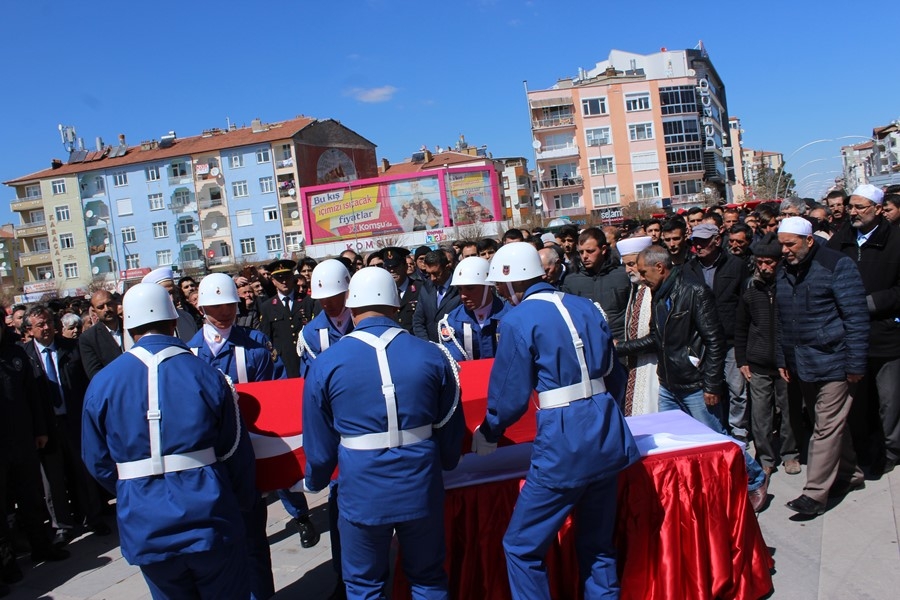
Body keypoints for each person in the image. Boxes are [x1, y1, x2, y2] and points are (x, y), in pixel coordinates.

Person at [471, 242, 638, 600]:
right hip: (607, 429)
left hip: (564, 442)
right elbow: (614, 374)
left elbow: (509, 396)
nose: (501, 295)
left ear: (512, 282)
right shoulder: (584, 306)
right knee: (597, 544)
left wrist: (488, 429)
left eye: (501, 287)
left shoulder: (517, 320)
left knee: (521, 547)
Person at [82, 283, 257, 598]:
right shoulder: (208, 375)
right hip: (209, 516)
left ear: (128, 324)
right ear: (174, 320)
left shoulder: (102, 383)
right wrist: (240, 503)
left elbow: (97, 461)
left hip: (145, 522)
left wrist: (135, 488)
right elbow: (234, 450)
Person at [302, 267, 464, 599]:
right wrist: (446, 462)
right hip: (421, 482)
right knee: (428, 578)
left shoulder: (327, 362)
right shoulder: (433, 354)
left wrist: (314, 480)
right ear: (397, 302)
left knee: (364, 584)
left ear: (351, 304)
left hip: (362, 489)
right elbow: (450, 425)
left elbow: (319, 446)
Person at [616, 245, 768, 510]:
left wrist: (710, 384)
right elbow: (657, 338)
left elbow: (714, 340)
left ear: (660, 268)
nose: (640, 277)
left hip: (695, 383)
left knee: (717, 436)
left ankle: (754, 479)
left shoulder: (695, 291)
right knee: (671, 439)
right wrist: (619, 347)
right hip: (668, 382)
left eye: (643, 271)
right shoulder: (657, 293)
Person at [187, 273, 285, 599]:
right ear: (201, 307)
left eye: (229, 303)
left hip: (248, 456)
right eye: (216, 306)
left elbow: (273, 397)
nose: (224, 312)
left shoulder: (255, 345)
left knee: (254, 540)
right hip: (209, 462)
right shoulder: (188, 354)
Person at [776, 217, 869, 516]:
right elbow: (781, 319)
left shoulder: (837, 265)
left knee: (825, 427)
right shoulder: (784, 270)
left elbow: (855, 317)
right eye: (782, 244)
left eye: (790, 244)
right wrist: (783, 358)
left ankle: (814, 494)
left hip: (835, 362)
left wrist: (855, 363)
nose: (785, 250)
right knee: (829, 425)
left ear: (809, 240)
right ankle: (850, 474)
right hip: (802, 363)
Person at [827, 184, 900, 475]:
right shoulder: (840, 240)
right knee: (858, 403)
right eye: (851, 206)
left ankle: (891, 450)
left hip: (886, 335)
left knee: (889, 400)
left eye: (860, 207)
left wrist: (873, 303)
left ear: (878, 210)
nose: (852, 212)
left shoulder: (896, 241)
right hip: (849, 338)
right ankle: (864, 450)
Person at [22, 307, 110, 540]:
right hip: (46, 427)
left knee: (83, 471)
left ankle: (94, 517)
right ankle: (63, 525)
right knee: (54, 479)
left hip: (74, 420)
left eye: (49, 322)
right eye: (40, 324)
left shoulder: (71, 349)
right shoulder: (25, 355)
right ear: (29, 330)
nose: (46, 327)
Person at [1, 307, 69, 590]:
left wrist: (40, 429)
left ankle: (42, 546)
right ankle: (6, 563)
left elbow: (33, 395)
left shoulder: (15, 354)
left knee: (32, 497)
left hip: (23, 440)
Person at [734, 233, 799, 476]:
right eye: (760, 262)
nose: (764, 267)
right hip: (758, 363)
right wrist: (742, 359)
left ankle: (790, 454)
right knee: (760, 414)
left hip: (785, 364)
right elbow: (741, 326)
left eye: (769, 262)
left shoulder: (788, 286)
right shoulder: (751, 288)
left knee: (789, 412)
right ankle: (765, 456)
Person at [683, 223, 752, 440]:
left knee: (736, 389)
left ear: (717, 241)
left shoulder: (736, 266)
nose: (698, 246)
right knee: (709, 389)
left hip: (730, 338)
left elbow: (744, 302)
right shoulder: (687, 269)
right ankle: (716, 430)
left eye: (703, 241)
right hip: (701, 341)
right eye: (695, 242)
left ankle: (739, 431)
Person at [561, 227, 631, 340]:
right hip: (589, 342)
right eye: (581, 252)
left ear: (603, 249)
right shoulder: (571, 281)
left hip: (621, 341)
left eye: (590, 251)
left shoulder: (623, 275)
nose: (584, 256)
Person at [438, 256, 509, 361]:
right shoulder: (452, 321)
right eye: (460, 289)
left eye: (470, 288)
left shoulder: (509, 314)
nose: (463, 296)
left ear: (488, 286)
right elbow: (456, 362)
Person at [618, 236, 658, 416]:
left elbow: (655, 337)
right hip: (636, 363)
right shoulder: (636, 289)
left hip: (655, 364)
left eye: (632, 264)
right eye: (625, 264)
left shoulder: (655, 290)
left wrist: (622, 347)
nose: (628, 270)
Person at [297, 259, 353, 379]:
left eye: (333, 297)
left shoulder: (363, 322)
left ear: (346, 292)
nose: (327, 304)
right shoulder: (311, 333)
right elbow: (310, 380)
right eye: (322, 299)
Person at [259, 259, 307, 378]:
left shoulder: (307, 301)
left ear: (293, 278)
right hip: (283, 364)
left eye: (287, 277)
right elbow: (267, 338)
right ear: (273, 281)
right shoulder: (267, 307)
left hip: (306, 360)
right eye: (280, 278)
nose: (284, 281)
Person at [413, 250, 461, 343]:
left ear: (447, 267)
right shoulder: (425, 288)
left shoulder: (459, 288)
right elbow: (418, 321)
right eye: (428, 273)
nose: (432, 278)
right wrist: (427, 345)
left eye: (436, 273)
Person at [140, 267, 199, 342]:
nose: (171, 298)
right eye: (165, 294)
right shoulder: (144, 326)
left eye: (172, 292)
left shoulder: (187, 318)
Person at [79, 290, 126, 379]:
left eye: (109, 304)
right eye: (101, 307)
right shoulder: (88, 338)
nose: (107, 309)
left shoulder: (130, 327)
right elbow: (95, 373)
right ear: (94, 311)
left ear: (116, 304)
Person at [379, 247, 420, 334]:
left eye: (395, 266)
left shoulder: (420, 288)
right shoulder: (381, 292)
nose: (392, 270)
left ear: (405, 266)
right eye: (388, 267)